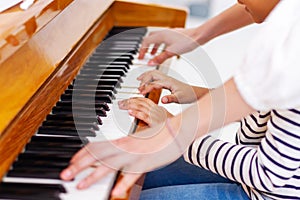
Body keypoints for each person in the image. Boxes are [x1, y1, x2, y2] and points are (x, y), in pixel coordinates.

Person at [60, 0, 300, 199]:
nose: (237, 1)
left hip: (266, 190)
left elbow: (269, 175)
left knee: (130, 190)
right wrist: (199, 93)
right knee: (126, 173)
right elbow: (268, 103)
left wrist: (171, 131)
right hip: (253, 177)